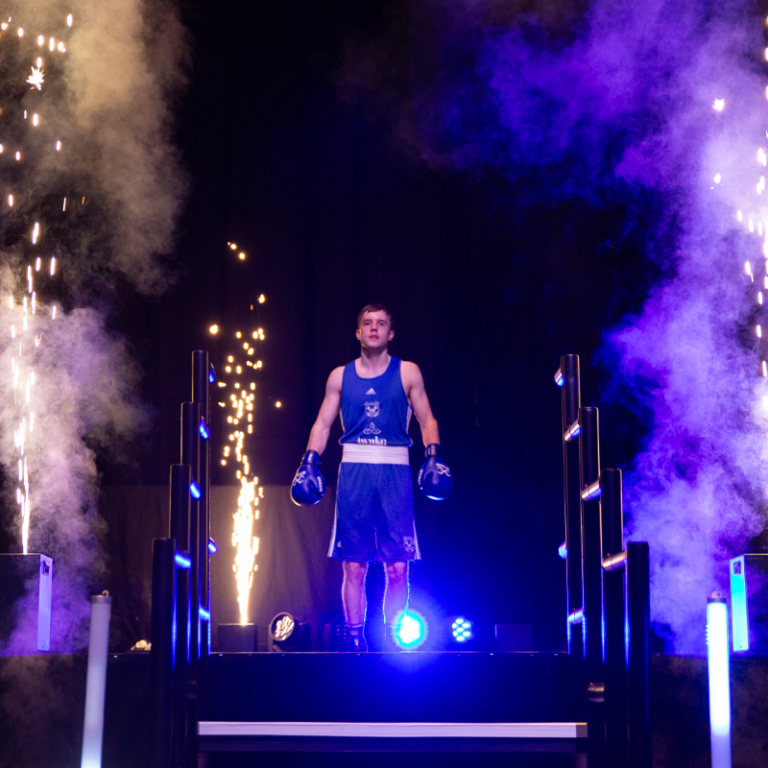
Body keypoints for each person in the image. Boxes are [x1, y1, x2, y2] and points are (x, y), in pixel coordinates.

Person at [290, 303, 453, 651]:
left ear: (391, 334)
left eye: (381, 324)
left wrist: (434, 455)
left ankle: (394, 641)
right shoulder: (339, 376)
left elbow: (427, 420)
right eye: (367, 323)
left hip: (395, 470)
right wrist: (309, 461)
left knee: (397, 567)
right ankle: (354, 641)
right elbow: (322, 424)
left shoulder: (408, 372)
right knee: (354, 566)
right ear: (358, 333)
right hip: (355, 472)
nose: (374, 328)